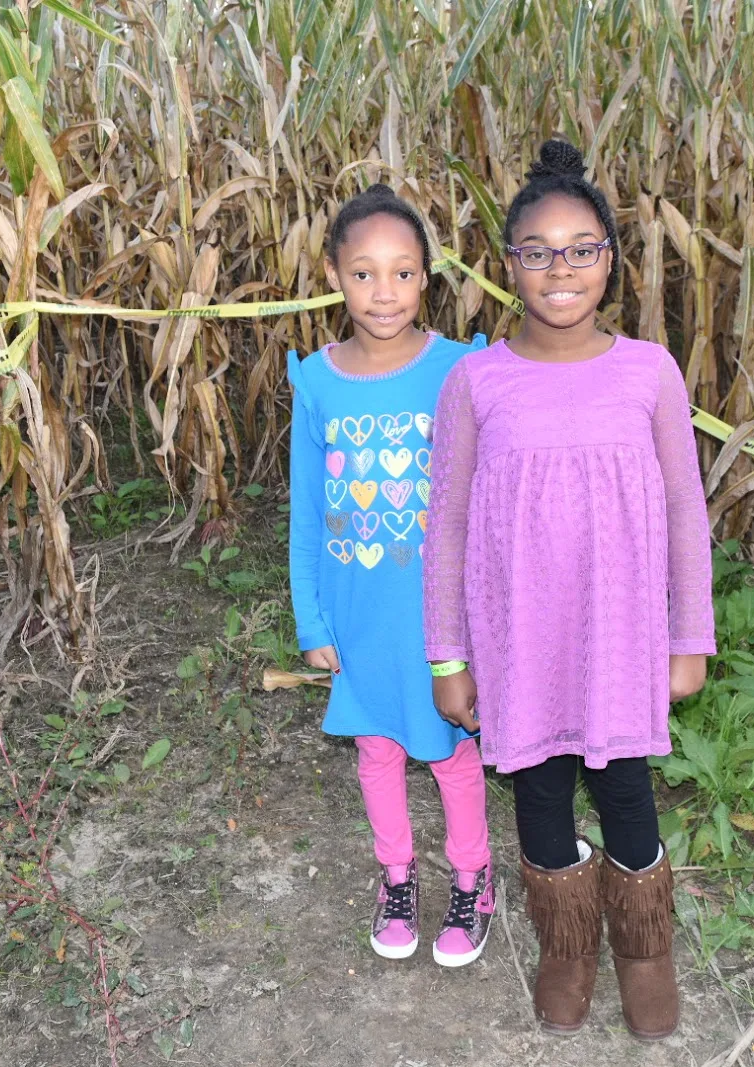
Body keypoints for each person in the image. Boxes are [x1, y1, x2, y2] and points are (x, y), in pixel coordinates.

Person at [422, 141, 715, 1038]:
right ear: (508, 263)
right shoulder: (475, 382)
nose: (561, 268)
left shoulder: (649, 371)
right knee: (540, 792)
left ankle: (645, 951)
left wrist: (687, 637)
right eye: (538, 250)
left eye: (582, 247)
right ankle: (566, 946)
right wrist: (448, 656)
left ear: (610, 260)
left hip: (620, 635)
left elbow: (683, 510)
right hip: (519, 640)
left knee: (625, 787)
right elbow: (450, 527)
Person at [288, 184, 493, 968]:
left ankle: (474, 878)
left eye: (403, 273)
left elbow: (480, 503)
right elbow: (309, 511)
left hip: (436, 618)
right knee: (375, 747)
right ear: (336, 275)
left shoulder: (458, 370)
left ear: (427, 278)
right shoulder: (318, 383)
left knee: (448, 750)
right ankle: (397, 876)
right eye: (365, 273)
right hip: (358, 613)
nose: (384, 292)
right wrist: (313, 621)